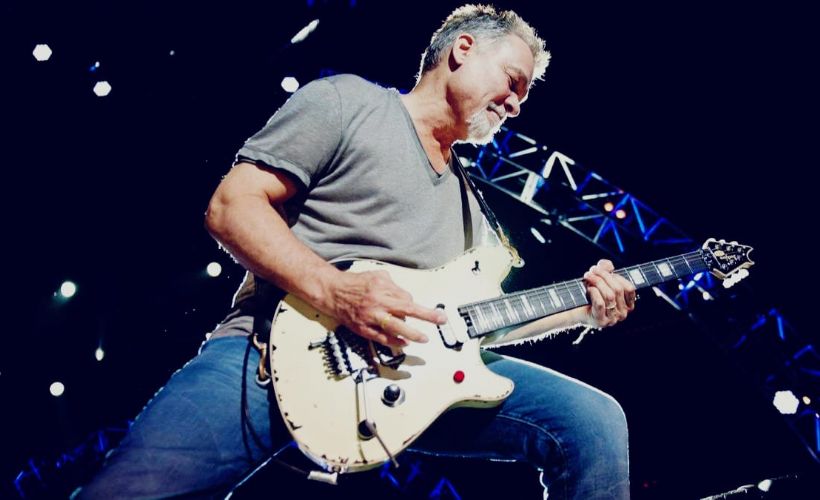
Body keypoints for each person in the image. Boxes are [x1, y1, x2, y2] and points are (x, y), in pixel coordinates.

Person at [75, 4, 636, 499]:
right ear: (463, 49)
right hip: (271, 352)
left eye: (524, 97)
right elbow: (232, 206)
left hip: (410, 380)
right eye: (513, 82)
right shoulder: (349, 102)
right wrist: (335, 291)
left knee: (592, 421)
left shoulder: (476, 215)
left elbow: (468, 325)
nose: (515, 105)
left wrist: (582, 309)